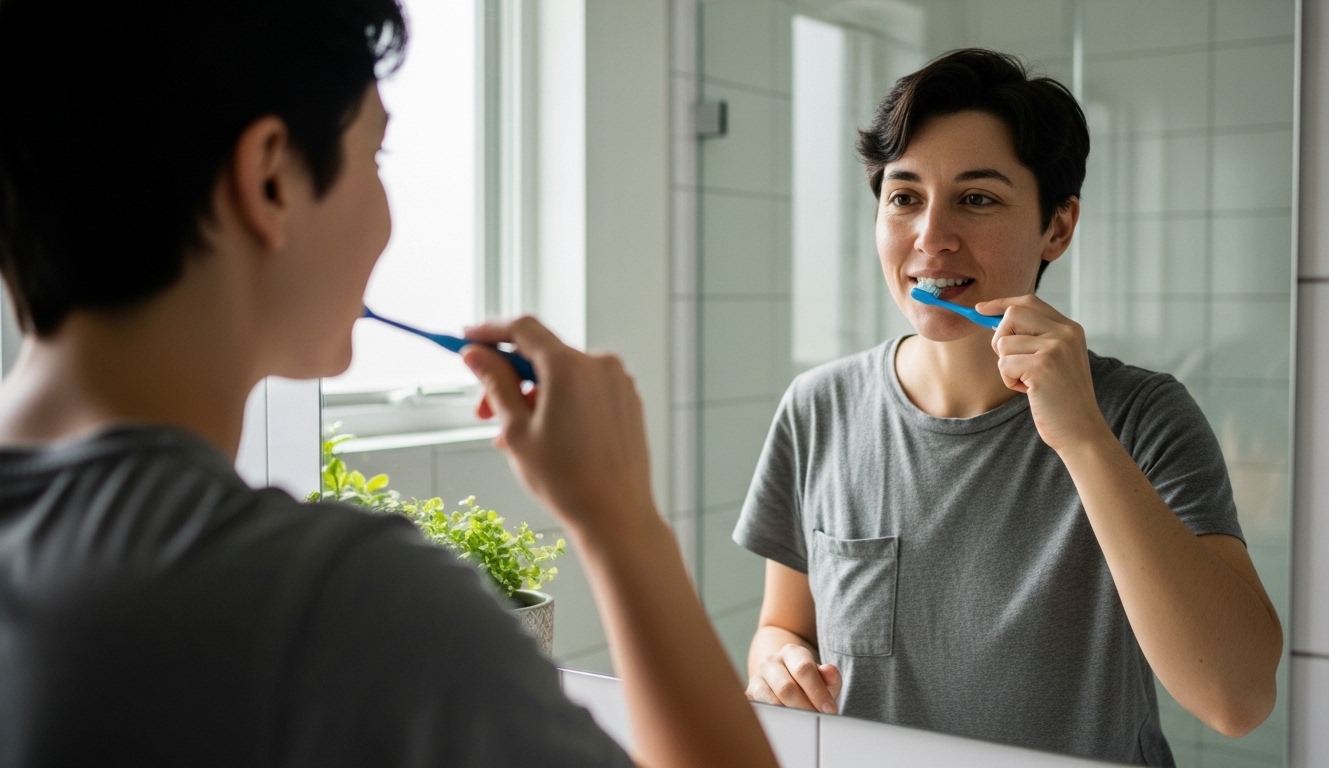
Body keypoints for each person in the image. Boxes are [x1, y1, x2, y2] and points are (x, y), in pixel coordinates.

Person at [0, 2, 778, 767]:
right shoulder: (346, 611)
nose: (387, 219)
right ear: (270, 177)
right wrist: (623, 523)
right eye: (377, 158)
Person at [735, 49, 1282, 766]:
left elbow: (1235, 700)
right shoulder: (818, 408)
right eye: (904, 197)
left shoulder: (1143, 416)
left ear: (1057, 227)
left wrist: (1084, 436)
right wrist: (777, 660)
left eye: (977, 198)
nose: (931, 237)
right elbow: (783, 626)